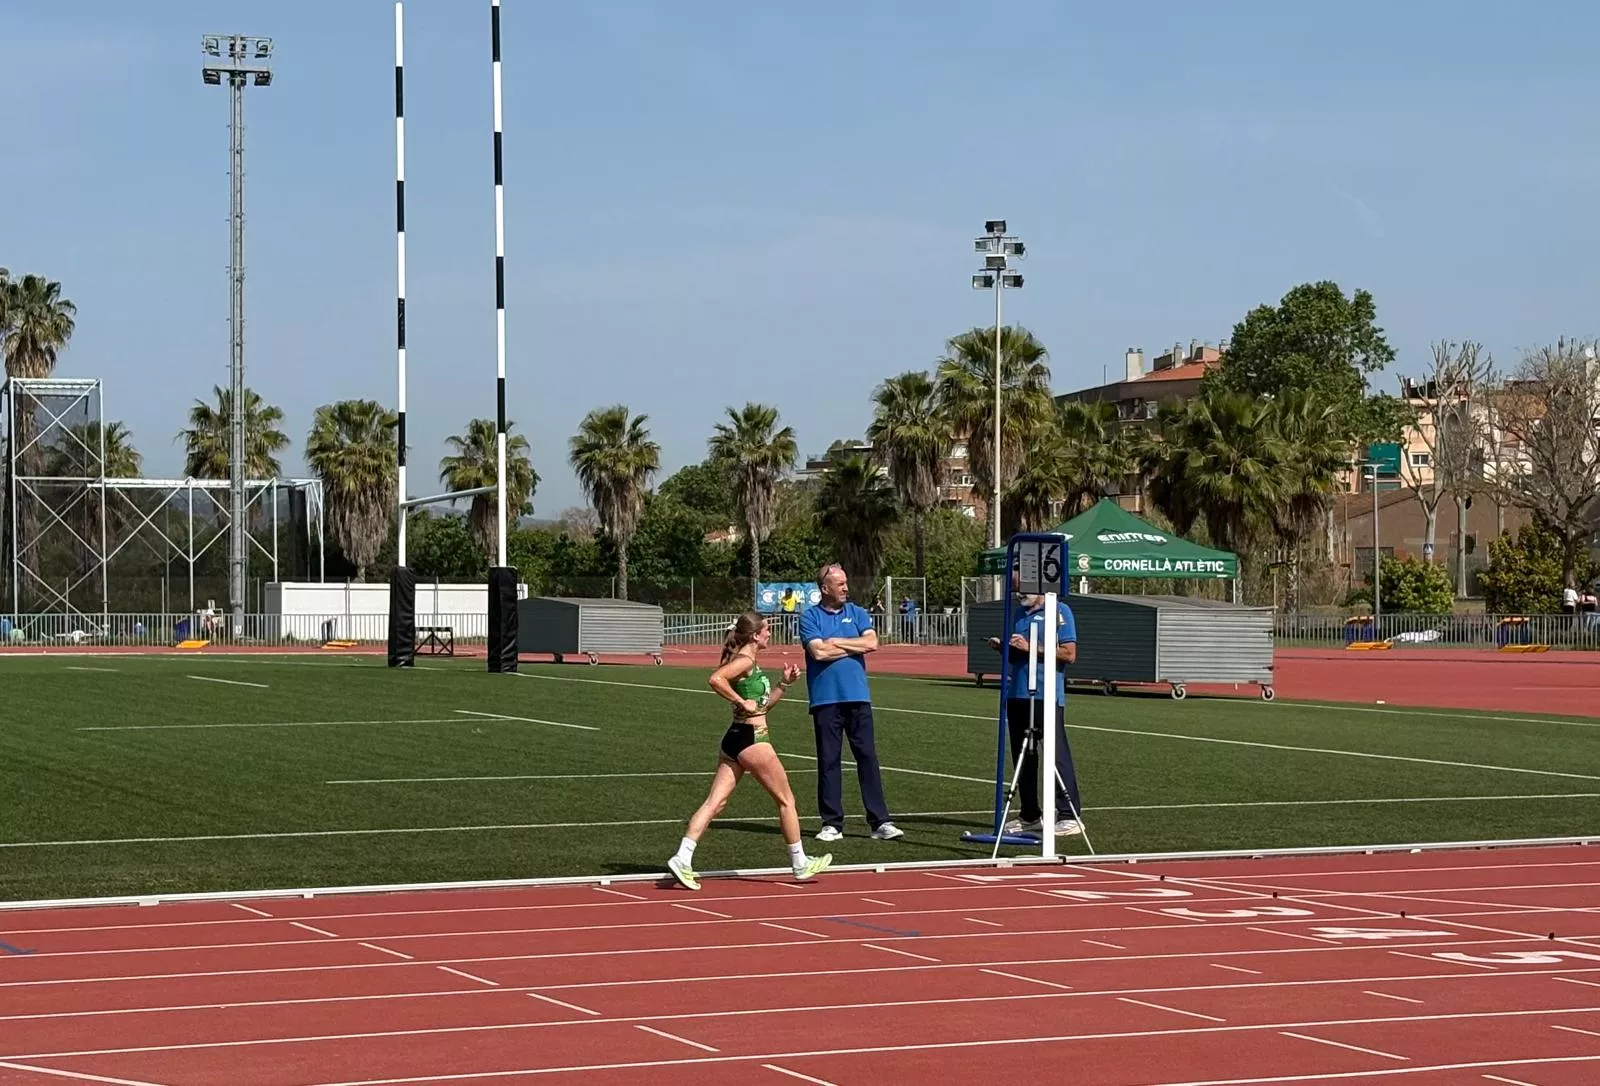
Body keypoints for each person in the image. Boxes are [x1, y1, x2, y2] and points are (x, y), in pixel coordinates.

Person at [666, 611, 832, 889]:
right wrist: (742, 701)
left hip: (735, 738)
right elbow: (715, 679)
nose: (770, 633)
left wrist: (783, 684)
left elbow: (763, 707)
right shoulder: (743, 660)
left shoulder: (749, 662)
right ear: (755, 635)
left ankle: (682, 858)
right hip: (752, 739)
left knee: (715, 803)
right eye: (766, 630)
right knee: (786, 800)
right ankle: (800, 863)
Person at [799, 563, 903, 843]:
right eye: (840, 584)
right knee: (829, 761)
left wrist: (838, 642)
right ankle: (832, 823)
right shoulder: (809, 617)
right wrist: (851, 644)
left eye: (846, 582)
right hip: (825, 700)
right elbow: (818, 652)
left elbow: (871, 643)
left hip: (858, 697)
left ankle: (880, 821)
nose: (846, 588)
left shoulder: (857, 612)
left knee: (867, 757)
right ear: (825, 588)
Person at [987, 564, 1085, 838]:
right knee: (1023, 756)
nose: (1019, 595)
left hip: (1046, 694)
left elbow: (1069, 653)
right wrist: (1005, 647)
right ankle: (1030, 815)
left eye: (1023, 589)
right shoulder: (1019, 614)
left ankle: (1069, 814)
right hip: (1017, 693)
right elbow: (1019, 653)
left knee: (1056, 754)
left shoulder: (1060, 611)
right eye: (1016, 589)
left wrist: (1033, 648)